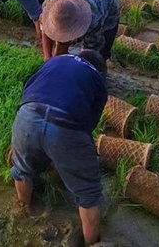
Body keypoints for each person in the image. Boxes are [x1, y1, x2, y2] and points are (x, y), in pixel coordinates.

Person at [10, 49, 108, 246]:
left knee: (22, 169)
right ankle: (91, 242)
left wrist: (25, 143)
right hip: (66, 126)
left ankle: (23, 211)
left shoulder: (54, 62)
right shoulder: (98, 80)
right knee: (89, 193)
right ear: (101, 70)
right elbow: (86, 127)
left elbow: (28, 90)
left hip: (27, 114)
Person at [39, 0, 124, 67]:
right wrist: (48, 57)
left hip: (108, 6)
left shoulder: (94, 19)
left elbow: (90, 52)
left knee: (101, 54)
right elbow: (45, 31)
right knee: (59, 51)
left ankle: (99, 75)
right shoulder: (49, 7)